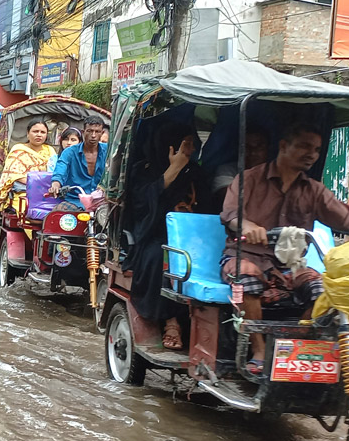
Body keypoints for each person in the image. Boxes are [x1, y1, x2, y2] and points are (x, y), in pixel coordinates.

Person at [219, 121, 349, 374]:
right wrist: (246, 226)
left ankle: (297, 345)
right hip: (246, 255)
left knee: (325, 289)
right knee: (247, 278)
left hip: (290, 265)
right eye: (304, 147)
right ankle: (259, 349)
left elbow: (346, 218)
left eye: (317, 150)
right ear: (284, 146)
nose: (311, 154)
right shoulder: (248, 179)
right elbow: (231, 214)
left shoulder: (314, 190)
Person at [123, 122, 203, 350]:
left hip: (194, 237)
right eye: (182, 144)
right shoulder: (144, 170)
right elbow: (141, 208)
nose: (188, 149)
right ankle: (171, 321)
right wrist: (173, 170)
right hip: (153, 236)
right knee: (162, 257)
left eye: (191, 144)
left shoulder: (196, 173)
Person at [49, 116, 108, 209]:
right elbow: (61, 167)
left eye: (97, 132)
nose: (93, 135)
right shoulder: (70, 152)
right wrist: (56, 184)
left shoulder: (109, 150)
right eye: (89, 131)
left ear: (102, 133)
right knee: (57, 214)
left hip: (102, 202)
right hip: (75, 200)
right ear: (83, 132)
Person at [0, 119, 54, 206]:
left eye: (42, 132)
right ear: (28, 134)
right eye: (35, 131)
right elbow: (14, 175)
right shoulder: (18, 150)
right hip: (23, 192)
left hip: (48, 191)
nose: (39, 135)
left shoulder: (50, 150)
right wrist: (38, 184)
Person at [211, 127, 270, 208]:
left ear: (268, 149)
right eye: (247, 147)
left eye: (259, 147)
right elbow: (229, 199)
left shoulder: (276, 172)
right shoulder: (227, 171)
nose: (253, 152)